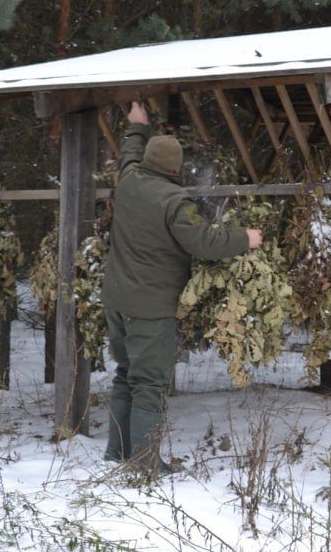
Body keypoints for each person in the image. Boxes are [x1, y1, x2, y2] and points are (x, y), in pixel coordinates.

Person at [100, 100, 262, 475]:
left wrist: (137, 126)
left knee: (126, 371)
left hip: (117, 299)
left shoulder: (128, 181)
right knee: (150, 382)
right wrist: (245, 238)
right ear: (175, 169)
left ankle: (118, 451)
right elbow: (202, 242)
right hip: (150, 305)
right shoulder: (174, 200)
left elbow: (128, 154)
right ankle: (143, 463)